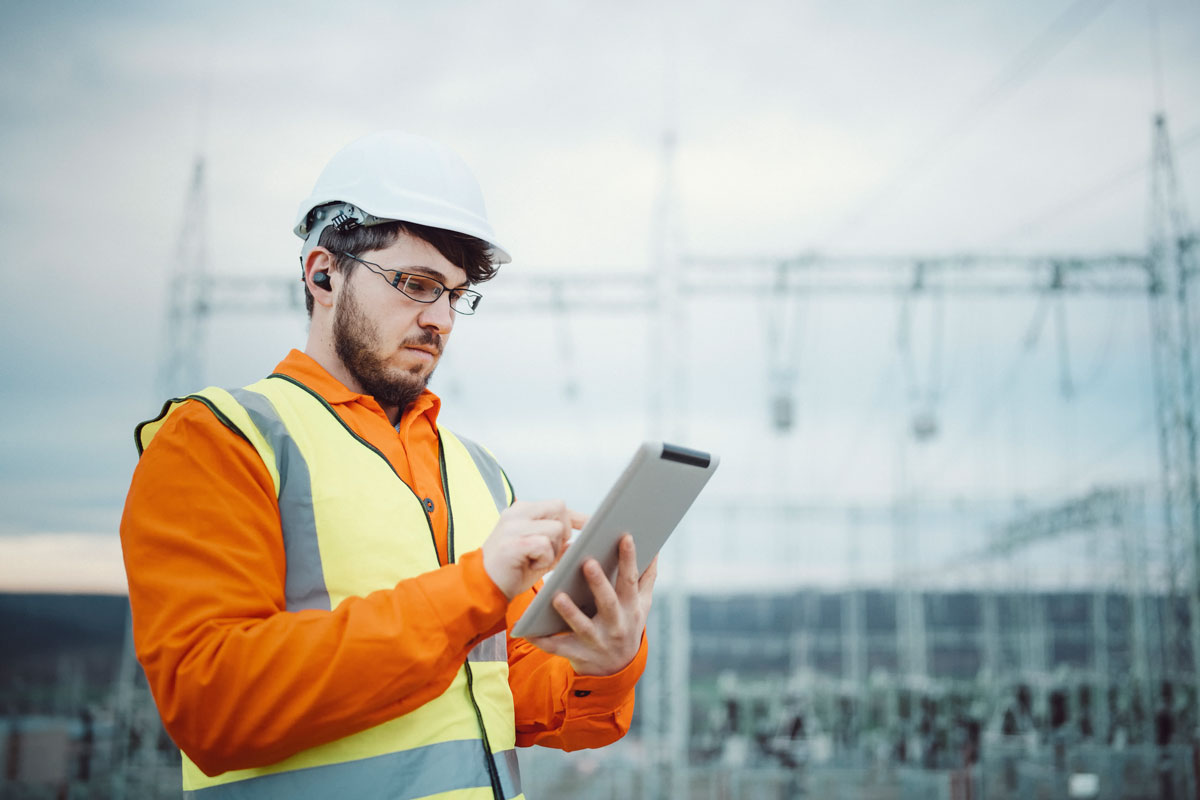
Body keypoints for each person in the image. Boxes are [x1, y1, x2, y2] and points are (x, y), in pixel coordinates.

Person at [120, 131, 656, 799]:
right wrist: (475, 589)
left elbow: (504, 698)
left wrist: (604, 661)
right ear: (323, 273)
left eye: (455, 294)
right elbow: (215, 704)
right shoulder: (222, 441)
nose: (442, 319)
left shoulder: (477, 472)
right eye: (415, 284)